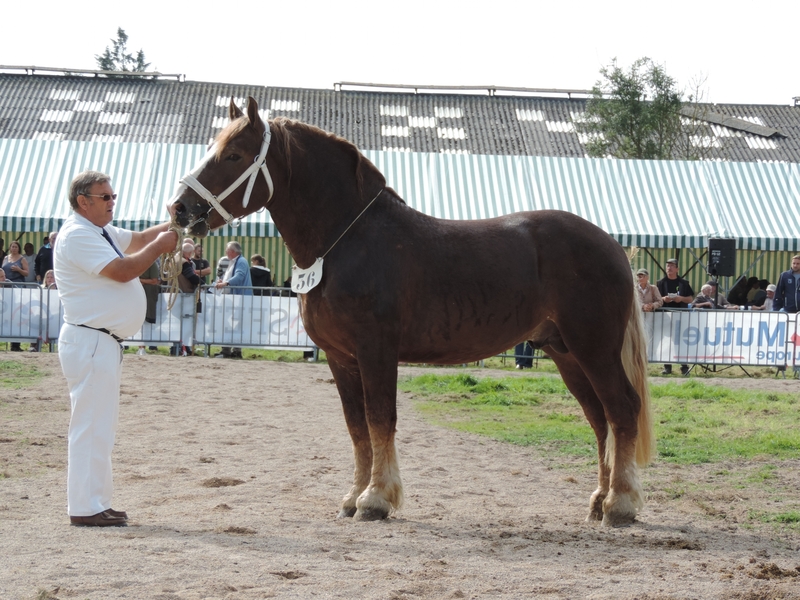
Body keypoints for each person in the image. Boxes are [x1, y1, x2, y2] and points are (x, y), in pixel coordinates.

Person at [55, 169, 178, 527]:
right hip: (90, 339)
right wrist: (161, 246)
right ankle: (85, 506)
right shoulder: (77, 235)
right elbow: (123, 270)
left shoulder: (99, 230)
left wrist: (171, 223)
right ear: (83, 201)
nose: (112, 202)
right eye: (105, 197)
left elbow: (138, 238)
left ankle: (95, 502)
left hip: (99, 340)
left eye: (113, 196)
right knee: (90, 426)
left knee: (99, 427)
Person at [214, 241, 252, 358]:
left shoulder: (240, 261)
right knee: (233, 324)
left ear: (232, 251)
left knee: (234, 324)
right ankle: (232, 351)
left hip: (239, 297)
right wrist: (224, 281)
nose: (226, 252)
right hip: (236, 297)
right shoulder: (238, 261)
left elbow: (239, 276)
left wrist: (226, 283)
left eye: (227, 250)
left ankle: (231, 351)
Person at [656, 258, 694, 375]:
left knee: (681, 340)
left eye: (672, 266)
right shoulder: (660, 283)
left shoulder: (684, 283)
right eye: (668, 265)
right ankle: (667, 366)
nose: (669, 268)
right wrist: (663, 299)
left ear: (677, 269)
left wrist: (681, 298)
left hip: (680, 314)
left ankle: (684, 366)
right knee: (666, 341)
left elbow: (691, 299)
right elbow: (656, 299)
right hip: (665, 314)